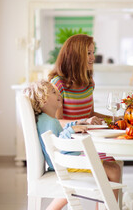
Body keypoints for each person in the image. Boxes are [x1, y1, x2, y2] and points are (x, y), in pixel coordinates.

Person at [23, 80, 122, 210]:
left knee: (110, 166)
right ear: (43, 101)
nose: (58, 93)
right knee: (114, 170)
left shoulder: (47, 120)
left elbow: (60, 133)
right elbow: (57, 143)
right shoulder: (48, 122)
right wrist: (71, 130)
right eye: (53, 92)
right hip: (66, 164)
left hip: (64, 163)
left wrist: (80, 123)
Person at [48, 34, 112, 126]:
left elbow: (90, 115)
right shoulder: (59, 84)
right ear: (76, 56)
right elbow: (57, 122)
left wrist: (115, 118)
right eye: (88, 53)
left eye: (93, 53)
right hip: (68, 137)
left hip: (85, 134)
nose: (93, 58)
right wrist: (83, 122)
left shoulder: (89, 82)